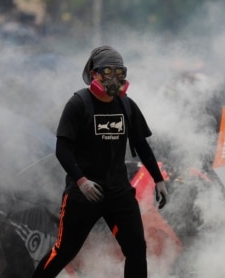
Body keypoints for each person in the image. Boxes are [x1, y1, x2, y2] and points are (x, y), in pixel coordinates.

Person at [31, 46, 169, 278]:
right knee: (65, 251)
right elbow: (62, 149)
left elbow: (142, 146)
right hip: (84, 194)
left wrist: (158, 179)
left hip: (119, 192)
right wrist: (81, 181)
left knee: (136, 249)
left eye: (119, 72)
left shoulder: (127, 105)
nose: (114, 78)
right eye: (108, 71)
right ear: (94, 73)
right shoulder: (78, 104)